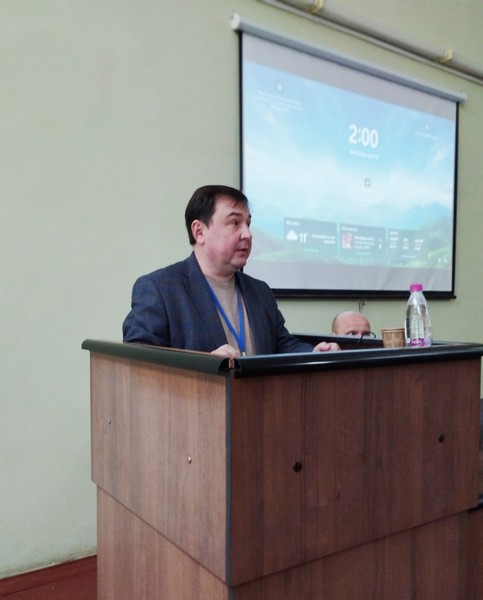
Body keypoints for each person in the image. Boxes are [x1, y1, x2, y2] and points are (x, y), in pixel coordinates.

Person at [123, 184, 340, 357]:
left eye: (248, 224)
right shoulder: (160, 289)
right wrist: (204, 365)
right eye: (235, 223)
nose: (248, 234)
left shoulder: (260, 291)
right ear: (199, 231)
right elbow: (140, 360)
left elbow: (281, 344)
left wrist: (313, 352)